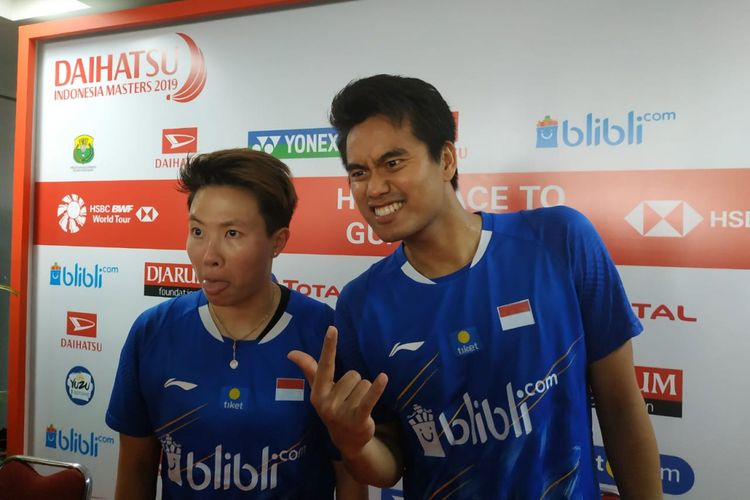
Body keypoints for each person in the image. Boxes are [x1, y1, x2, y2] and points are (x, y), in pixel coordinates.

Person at [288, 75, 663, 499]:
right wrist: (355, 442)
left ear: (446, 159)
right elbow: (389, 464)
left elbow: (621, 407)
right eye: (359, 172)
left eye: (393, 163)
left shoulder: (560, 241)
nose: (374, 188)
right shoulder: (361, 304)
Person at [106, 149, 366, 499]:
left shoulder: (324, 334)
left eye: (232, 234)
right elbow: (136, 467)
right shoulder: (153, 332)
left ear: (278, 241)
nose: (208, 256)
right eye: (197, 231)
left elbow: (349, 473)